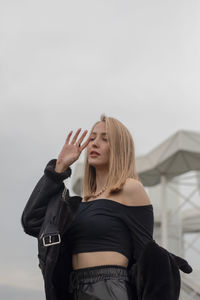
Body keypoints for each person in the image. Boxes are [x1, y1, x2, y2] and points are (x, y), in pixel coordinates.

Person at [21, 114, 193, 300]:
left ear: (119, 148)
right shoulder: (76, 206)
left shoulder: (129, 188)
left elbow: (146, 251)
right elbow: (31, 221)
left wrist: (165, 266)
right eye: (92, 137)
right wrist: (58, 170)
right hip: (73, 289)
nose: (94, 143)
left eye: (105, 139)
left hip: (109, 288)